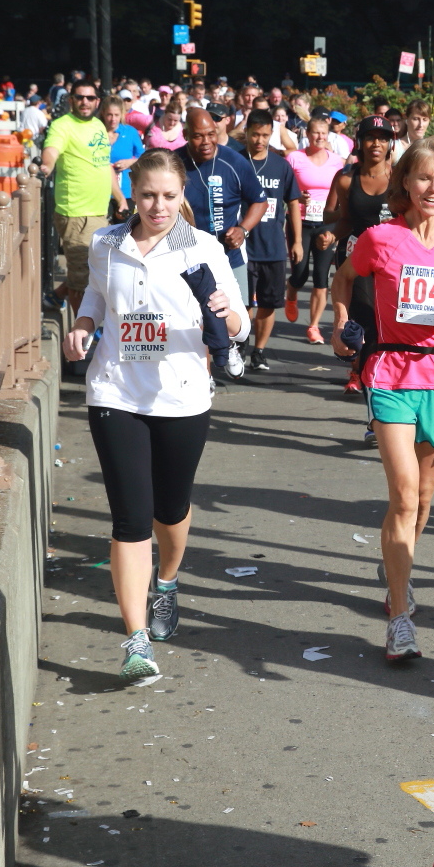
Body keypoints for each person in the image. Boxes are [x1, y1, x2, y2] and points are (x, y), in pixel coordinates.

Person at [62, 148, 251, 680]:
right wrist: (83, 324)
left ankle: (166, 580)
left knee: (169, 509)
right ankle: (136, 640)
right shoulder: (106, 243)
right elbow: (96, 295)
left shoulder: (204, 248)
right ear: (133, 194)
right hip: (115, 391)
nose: (158, 206)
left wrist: (226, 313)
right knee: (130, 517)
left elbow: (239, 324)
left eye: (168, 195)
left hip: (181, 395)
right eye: (148, 195)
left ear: (182, 194)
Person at [330, 138, 434, 660]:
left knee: (424, 500)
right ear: (405, 182)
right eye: (424, 177)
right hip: (390, 374)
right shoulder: (380, 238)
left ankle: (396, 573)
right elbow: (344, 279)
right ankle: (400, 617)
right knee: (404, 497)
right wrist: (340, 322)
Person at [324, 115, 397, 396]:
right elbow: (344, 219)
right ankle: (366, 380)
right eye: (370, 138)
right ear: (360, 142)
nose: (376, 143)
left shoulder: (401, 178)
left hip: (394, 259)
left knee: (388, 323)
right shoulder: (346, 179)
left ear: (390, 144)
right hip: (357, 257)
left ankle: (384, 377)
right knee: (365, 319)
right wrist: (331, 235)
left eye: (382, 138)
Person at [178, 108, 268, 332]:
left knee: (238, 318)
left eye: (211, 134)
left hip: (228, 255)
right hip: (183, 256)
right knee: (188, 318)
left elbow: (260, 201)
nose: (206, 142)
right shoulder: (173, 163)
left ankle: (237, 348)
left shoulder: (234, 161)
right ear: (185, 134)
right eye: (198, 136)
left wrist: (242, 230)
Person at [41, 81, 121, 311]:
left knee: (97, 270)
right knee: (82, 281)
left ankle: (56, 297)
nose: (85, 102)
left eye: (90, 98)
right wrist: (46, 165)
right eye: (79, 97)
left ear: (97, 102)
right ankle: (84, 329)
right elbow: (51, 150)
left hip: (99, 211)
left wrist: (120, 198)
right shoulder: (62, 125)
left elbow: (104, 164)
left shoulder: (98, 125)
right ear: (71, 100)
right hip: (76, 213)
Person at [241, 111, 305, 371]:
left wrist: (297, 241)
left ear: (272, 135)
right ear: (246, 132)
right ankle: (240, 346)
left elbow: (293, 204)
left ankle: (259, 351)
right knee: (242, 304)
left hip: (273, 247)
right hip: (242, 247)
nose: (260, 140)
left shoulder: (281, 166)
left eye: (265, 135)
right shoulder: (236, 162)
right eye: (255, 134)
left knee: (269, 303)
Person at [284, 115, 347, 343]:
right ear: (307, 134)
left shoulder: (337, 161)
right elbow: (284, 189)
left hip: (326, 223)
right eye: (315, 133)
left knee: (321, 277)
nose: (319, 137)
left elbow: (342, 192)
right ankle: (292, 292)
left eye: (323, 133)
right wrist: (296, 197)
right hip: (300, 221)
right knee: (300, 274)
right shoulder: (295, 158)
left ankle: (314, 326)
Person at [101, 97, 143, 220]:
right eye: (109, 115)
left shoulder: (130, 132)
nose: (113, 119)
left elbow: (143, 157)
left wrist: (130, 162)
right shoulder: (97, 132)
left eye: (116, 115)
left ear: (122, 115)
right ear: (103, 113)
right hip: (101, 190)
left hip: (125, 190)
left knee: (124, 227)